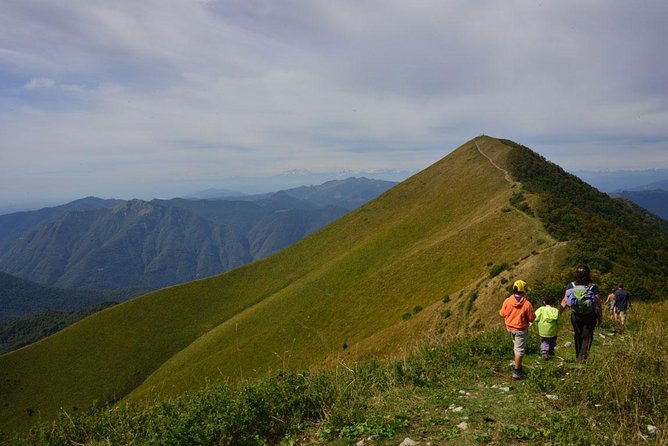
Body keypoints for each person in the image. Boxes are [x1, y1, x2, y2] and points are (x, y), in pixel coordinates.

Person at [560, 264, 602, 363]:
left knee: (577, 334)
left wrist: (557, 314)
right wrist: (600, 316)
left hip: (575, 315)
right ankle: (583, 357)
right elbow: (598, 302)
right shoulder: (593, 287)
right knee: (587, 336)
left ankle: (578, 355)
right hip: (589, 315)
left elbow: (564, 301)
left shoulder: (571, 286)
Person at [499, 279, 536, 380]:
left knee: (516, 347)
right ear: (523, 291)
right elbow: (531, 318)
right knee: (519, 350)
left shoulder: (507, 301)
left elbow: (502, 314)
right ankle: (517, 372)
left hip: (509, 328)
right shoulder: (527, 304)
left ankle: (517, 365)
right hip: (520, 330)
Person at [534, 295, 560, 360]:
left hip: (543, 329)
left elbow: (535, 318)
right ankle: (551, 350)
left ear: (544, 302)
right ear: (554, 302)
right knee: (552, 340)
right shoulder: (555, 310)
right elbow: (558, 321)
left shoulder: (541, 309)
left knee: (544, 341)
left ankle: (544, 352)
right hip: (553, 330)